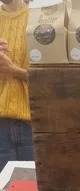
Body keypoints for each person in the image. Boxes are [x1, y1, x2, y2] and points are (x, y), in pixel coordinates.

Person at [0, 0, 34, 172]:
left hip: (34, 125)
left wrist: (12, 70)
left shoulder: (39, 17)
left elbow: (52, 79)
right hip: (1, 127)